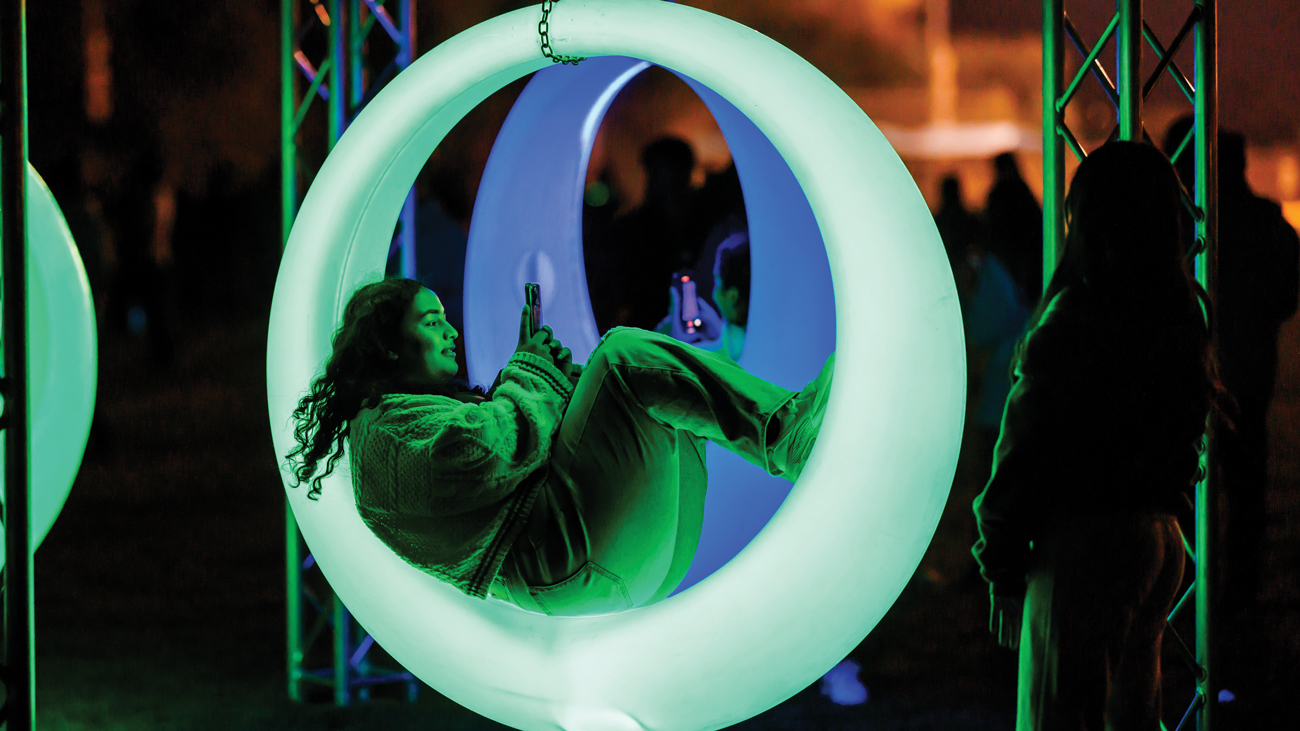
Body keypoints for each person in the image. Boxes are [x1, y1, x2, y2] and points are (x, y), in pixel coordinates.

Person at [286, 278, 834, 616]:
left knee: (664, 395)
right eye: (433, 322)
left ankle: (791, 429)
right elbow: (490, 451)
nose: (450, 332)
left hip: (604, 569)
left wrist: (558, 386)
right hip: (560, 558)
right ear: (386, 347)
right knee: (621, 354)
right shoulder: (385, 433)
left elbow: (510, 452)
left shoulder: (399, 426)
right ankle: (787, 436)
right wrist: (531, 371)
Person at [971, 141, 1218, 729]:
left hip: (1084, 550)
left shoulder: (1073, 323)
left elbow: (1022, 453)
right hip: (1158, 540)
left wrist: (1001, 564)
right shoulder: (1180, 314)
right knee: (1134, 714)